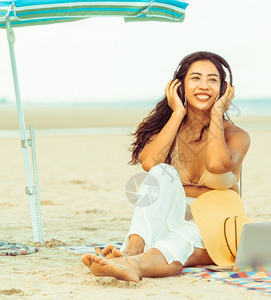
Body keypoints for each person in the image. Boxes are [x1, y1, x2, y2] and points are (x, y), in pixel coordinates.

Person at [82, 51, 251, 282]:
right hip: (171, 215)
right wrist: (178, 112)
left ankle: (135, 265)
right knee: (163, 171)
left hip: (216, 223)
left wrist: (217, 113)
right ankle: (132, 249)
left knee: (179, 240)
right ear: (179, 86)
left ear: (224, 90)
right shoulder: (167, 130)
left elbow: (216, 164)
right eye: (195, 78)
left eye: (212, 80)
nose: (204, 86)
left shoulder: (237, 136)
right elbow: (150, 164)